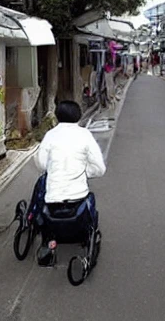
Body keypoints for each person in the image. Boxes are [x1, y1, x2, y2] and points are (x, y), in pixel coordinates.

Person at [34, 101, 106, 236]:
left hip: (52, 199)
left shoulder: (50, 135)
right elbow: (99, 169)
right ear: (78, 115)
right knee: (90, 201)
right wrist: (83, 172)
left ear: (57, 116)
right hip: (78, 196)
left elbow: (42, 164)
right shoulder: (85, 134)